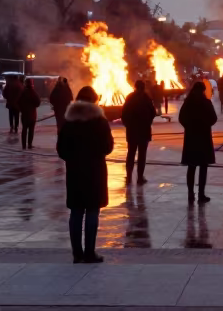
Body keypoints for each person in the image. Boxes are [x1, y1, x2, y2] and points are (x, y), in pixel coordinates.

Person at [57, 86, 114, 264]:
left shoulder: (69, 122)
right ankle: (89, 252)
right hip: (95, 172)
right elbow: (108, 147)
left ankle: (77, 253)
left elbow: (61, 149)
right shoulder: (100, 122)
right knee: (92, 211)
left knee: (76, 212)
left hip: (75, 172)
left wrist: (73, 159)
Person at [178, 81, 218, 203]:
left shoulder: (188, 103)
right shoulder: (206, 103)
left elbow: (181, 118)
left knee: (191, 167)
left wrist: (189, 127)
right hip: (204, 138)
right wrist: (205, 125)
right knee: (203, 167)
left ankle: (190, 193)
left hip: (191, 138)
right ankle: (201, 194)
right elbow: (214, 118)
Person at [121, 80, 157, 184]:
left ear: (135, 87)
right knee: (142, 155)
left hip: (132, 131)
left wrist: (128, 125)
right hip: (144, 131)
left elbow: (124, 113)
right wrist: (148, 122)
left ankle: (129, 177)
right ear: (143, 87)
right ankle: (140, 178)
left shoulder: (130, 97)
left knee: (131, 153)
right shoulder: (146, 98)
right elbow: (153, 112)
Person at [18, 79, 42, 150]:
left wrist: (22, 109)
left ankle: (23, 145)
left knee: (24, 129)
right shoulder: (33, 92)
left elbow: (18, 102)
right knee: (31, 130)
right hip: (32, 115)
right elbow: (38, 102)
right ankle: (29, 144)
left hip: (24, 114)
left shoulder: (23, 93)